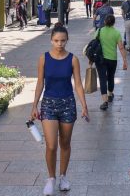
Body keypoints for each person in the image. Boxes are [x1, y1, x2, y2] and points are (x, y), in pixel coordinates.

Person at [31, 23, 89, 195]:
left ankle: (63, 176)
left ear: (67, 41)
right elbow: (40, 82)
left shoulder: (73, 59)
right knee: (51, 145)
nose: (60, 44)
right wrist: (34, 105)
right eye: (56, 40)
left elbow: (78, 84)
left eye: (63, 41)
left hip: (67, 104)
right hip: (48, 103)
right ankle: (51, 178)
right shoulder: (43, 58)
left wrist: (84, 105)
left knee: (65, 143)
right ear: (51, 40)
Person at [94, 15, 128, 111]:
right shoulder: (116, 33)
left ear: (105, 22)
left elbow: (94, 44)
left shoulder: (99, 31)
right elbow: (121, 48)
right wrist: (125, 61)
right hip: (112, 59)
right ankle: (110, 94)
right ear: (114, 23)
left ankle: (105, 101)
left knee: (102, 78)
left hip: (100, 59)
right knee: (110, 77)